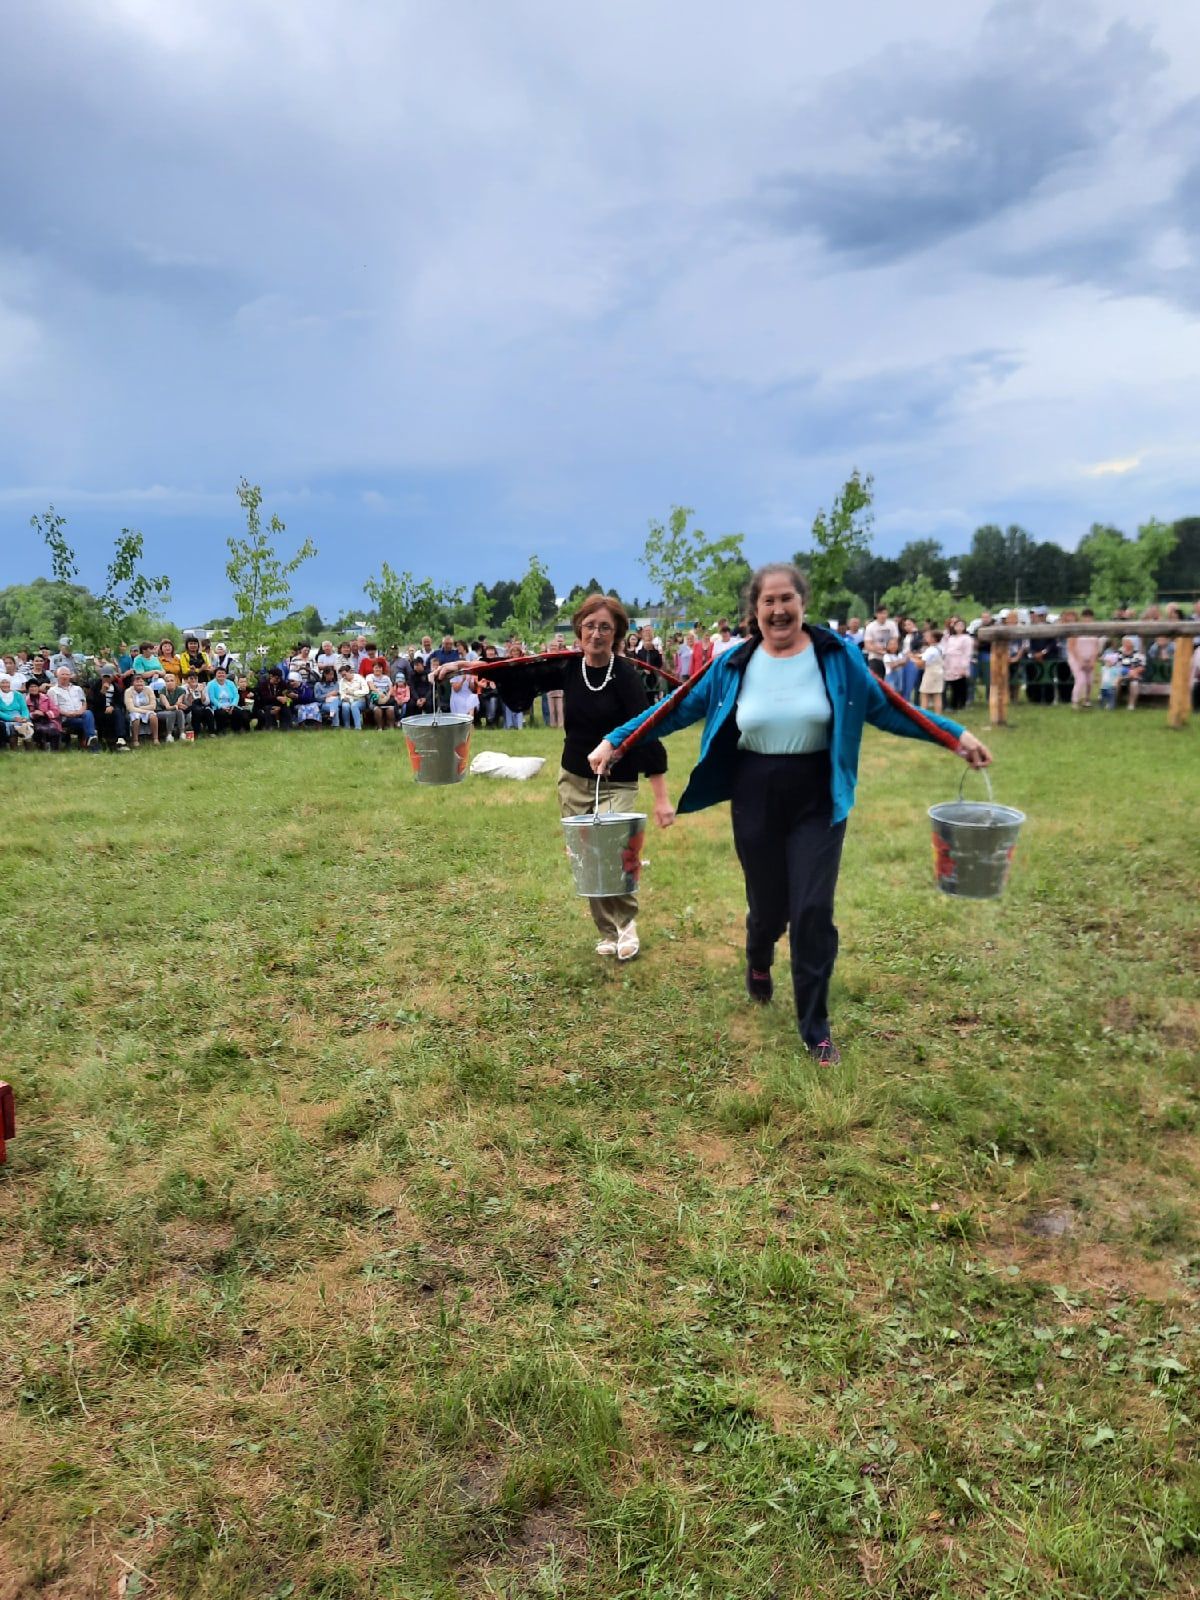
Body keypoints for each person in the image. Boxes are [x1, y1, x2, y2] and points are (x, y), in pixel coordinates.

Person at [588, 563, 990, 1061]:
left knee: (812, 909)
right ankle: (759, 958)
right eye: (767, 602)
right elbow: (675, 706)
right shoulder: (733, 663)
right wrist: (617, 740)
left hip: (818, 795)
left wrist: (955, 736)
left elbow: (889, 707)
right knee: (771, 907)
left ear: (803, 603)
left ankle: (814, 1025)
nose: (778, 610)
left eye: (787, 600)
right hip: (755, 792)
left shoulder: (836, 657)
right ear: (754, 611)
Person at [436, 593, 674, 961]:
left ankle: (627, 924)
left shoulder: (626, 676)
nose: (596, 634)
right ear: (579, 630)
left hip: (618, 781)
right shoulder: (567, 666)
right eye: (590, 626)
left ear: (617, 635)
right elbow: (519, 669)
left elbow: (645, 731)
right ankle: (607, 932)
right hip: (573, 780)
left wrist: (661, 798)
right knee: (586, 857)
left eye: (605, 628)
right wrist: (469, 666)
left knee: (612, 852)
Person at [49, 669, 100, 749]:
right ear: (57, 676)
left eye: (67, 674)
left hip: (80, 714)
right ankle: (94, 746)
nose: (65, 676)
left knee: (88, 713)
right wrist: (67, 713)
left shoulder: (77, 688)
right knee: (87, 723)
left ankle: (91, 738)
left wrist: (80, 712)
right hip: (66, 718)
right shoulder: (53, 691)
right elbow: (55, 708)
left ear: (70, 676)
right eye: (62, 674)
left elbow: (84, 703)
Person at [1065, 609, 1106, 709]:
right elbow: (1071, 647)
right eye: (1086, 617)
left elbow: (1096, 647)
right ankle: (1075, 701)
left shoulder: (1094, 631)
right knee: (1081, 679)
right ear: (1082, 618)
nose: (1088, 620)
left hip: (1090, 658)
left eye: (1090, 618)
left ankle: (1086, 700)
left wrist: (1093, 660)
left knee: (1089, 681)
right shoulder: (1076, 629)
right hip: (1076, 658)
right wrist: (1080, 660)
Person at [91, 673, 129, 749]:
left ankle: (121, 739)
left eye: (109, 677)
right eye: (105, 677)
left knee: (118, 713)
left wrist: (112, 706)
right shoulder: (96, 686)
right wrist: (102, 692)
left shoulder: (116, 687)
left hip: (113, 710)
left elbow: (119, 702)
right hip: (99, 711)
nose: (107, 679)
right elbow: (93, 703)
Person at [862, 605, 897, 679]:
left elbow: (895, 639)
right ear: (876, 614)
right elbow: (867, 644)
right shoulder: (870, 627)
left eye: (884, 613)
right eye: (880, 613)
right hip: (875, 657)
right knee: (877, 680)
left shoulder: (892, 625)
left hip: (890, 657)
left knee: (891, 682)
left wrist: (889, 649)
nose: (882, 616)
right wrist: (878, 650)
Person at [915, 627, 945, 713]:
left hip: (930, 673)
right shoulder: (939, 648)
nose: (925, 638)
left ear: (933, 639)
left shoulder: (930, 650)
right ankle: (938, 715)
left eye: (927, 637)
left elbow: (921, 663)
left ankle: (923, 714)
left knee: (924, 694)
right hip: (939, 672)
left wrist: (915, 661)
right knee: (937, 694)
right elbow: (924, 656)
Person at [0, 675, 34, 749]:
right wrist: (12, 719)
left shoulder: (18, 695)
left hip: (19, 717)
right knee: (12, 726)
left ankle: (29, 751)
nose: (5, 685)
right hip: (4, 718)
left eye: (7, 682)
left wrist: (24, 717)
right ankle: (14, 750)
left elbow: (24, 709)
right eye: (2, 683)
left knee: (26, 725)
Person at [206, 667, 242, 734]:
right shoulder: (211, 684)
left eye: (223, 673)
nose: (221, 675)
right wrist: (221, 706)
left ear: (226, 675)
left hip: (230, 705)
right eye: (219, 673)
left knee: (238, 712)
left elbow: (236, 695)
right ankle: (221, 730)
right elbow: (212, 698)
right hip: (217, 706)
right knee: (221, 713)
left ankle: (236, 730)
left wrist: (233, 705)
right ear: (215, 675)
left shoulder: (230, 683)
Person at [336, 664, 369, 728]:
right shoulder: (342, 681)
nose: (344, 677)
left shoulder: (359, 678)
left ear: (350, 672)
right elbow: (342, 693)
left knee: (354, 705)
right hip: (348, 699)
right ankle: (347, 726)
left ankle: (358, 727)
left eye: (345, 674)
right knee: (345, 705)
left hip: (360, 700)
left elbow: (366, 691)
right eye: (342, 675)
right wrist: (343, 698)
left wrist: (353, 693)